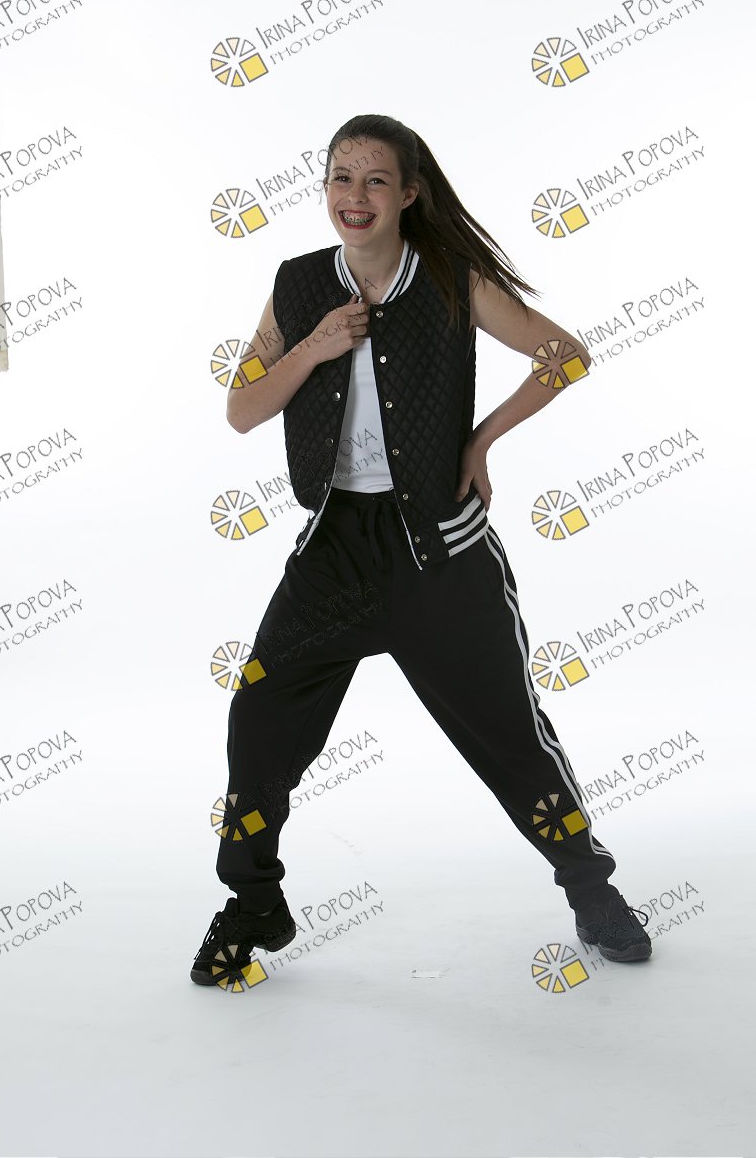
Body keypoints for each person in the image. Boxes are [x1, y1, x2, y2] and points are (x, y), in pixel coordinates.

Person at [191, 114, 652, 990]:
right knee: (257, 719)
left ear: (408, 193)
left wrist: (481, 441)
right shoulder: (296, 284)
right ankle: (252, 902)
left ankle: (592, 890)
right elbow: (242, 409)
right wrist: (317, 345)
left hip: (439, 552)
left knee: (510, 734)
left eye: (375, 180)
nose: (354, 196)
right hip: (334, 555)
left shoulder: (450, 277)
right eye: (340, 177)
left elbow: (564, 355)